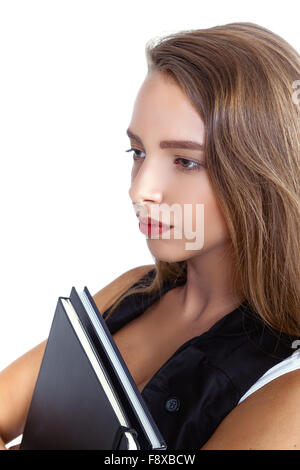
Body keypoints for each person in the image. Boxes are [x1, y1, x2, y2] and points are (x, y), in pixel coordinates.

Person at [1, 21, 300, 450]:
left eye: (185, 161)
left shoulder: (288, 380)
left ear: (260, 174)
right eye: (138, 152)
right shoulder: (136, 287)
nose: (140, 189)